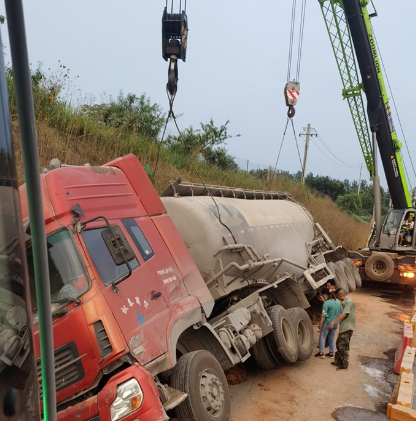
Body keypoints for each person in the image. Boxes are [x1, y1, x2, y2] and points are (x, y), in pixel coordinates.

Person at [328, 288, 355, 370]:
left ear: (341, 296)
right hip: (344, 327)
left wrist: (333, 322)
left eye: (338, 297)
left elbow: (344, 314)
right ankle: (338, 361)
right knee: (339, 344)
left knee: (344, 346)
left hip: (347, 327)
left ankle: (344, 365)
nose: (338, 299)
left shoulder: (349, 302)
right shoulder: (345, 302)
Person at [315, 288, 342, 358]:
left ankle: (321, 353)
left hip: (327, 323)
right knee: (332, 337)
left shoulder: (326, 303)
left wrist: (320, 323)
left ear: (325, 295)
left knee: (322, 336)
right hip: (335, 323)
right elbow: (341, 312)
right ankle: (331, 353)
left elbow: (324, 314)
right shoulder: (338, 302)